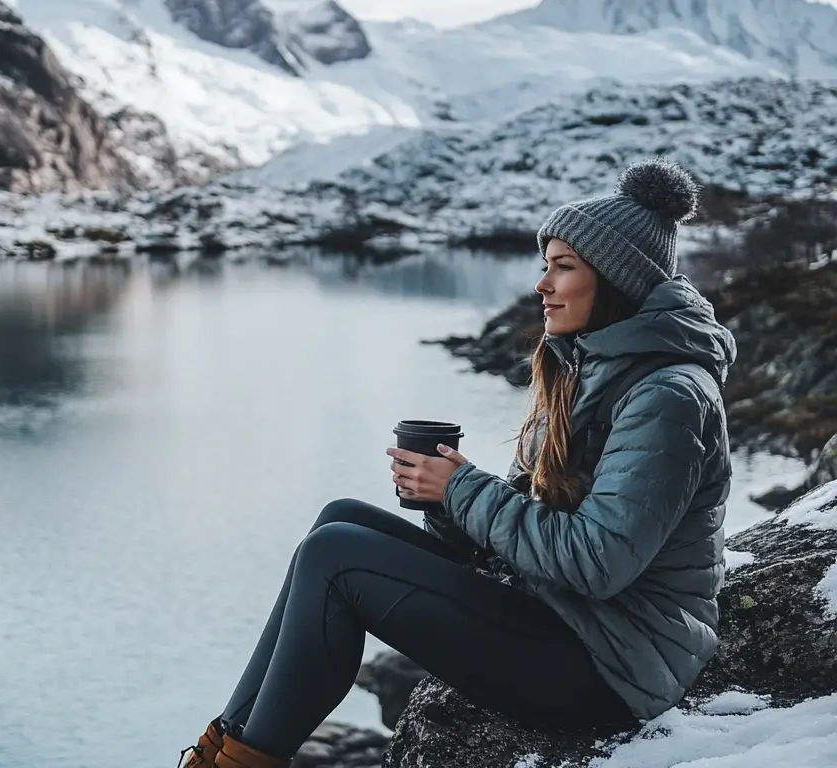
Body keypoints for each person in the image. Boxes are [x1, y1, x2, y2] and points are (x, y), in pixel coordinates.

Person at [179, 157, 736, 768]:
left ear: (617, 280)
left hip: (615, 666)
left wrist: (463, 490)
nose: (542, 284)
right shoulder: (589, 364)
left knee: (335, 559)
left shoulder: (668, 396)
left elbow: (596, 562)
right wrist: (442, 502)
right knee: (337, 520)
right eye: (544, 265)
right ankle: (218, 748)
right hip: (566, 620)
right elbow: (533, 525)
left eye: (564, 267)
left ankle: (244, 763)